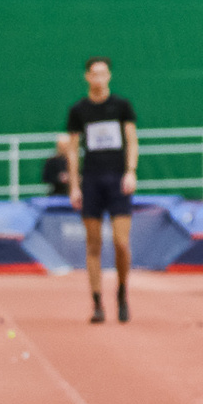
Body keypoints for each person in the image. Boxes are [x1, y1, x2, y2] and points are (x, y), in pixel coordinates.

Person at [63, 58, 138, 324]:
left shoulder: (121, 106)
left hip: (118, 180)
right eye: (94, 74)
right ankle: (97, 303)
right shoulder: (79, 110)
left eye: (103, 73)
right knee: (93, 244)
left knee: (121, 242)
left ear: (109, 76)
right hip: (92, 180)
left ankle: (122, 292)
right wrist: (74, 185)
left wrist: (131, 171)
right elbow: (72, 150)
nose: (98, 78)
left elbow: (131, 140)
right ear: (87, 77)